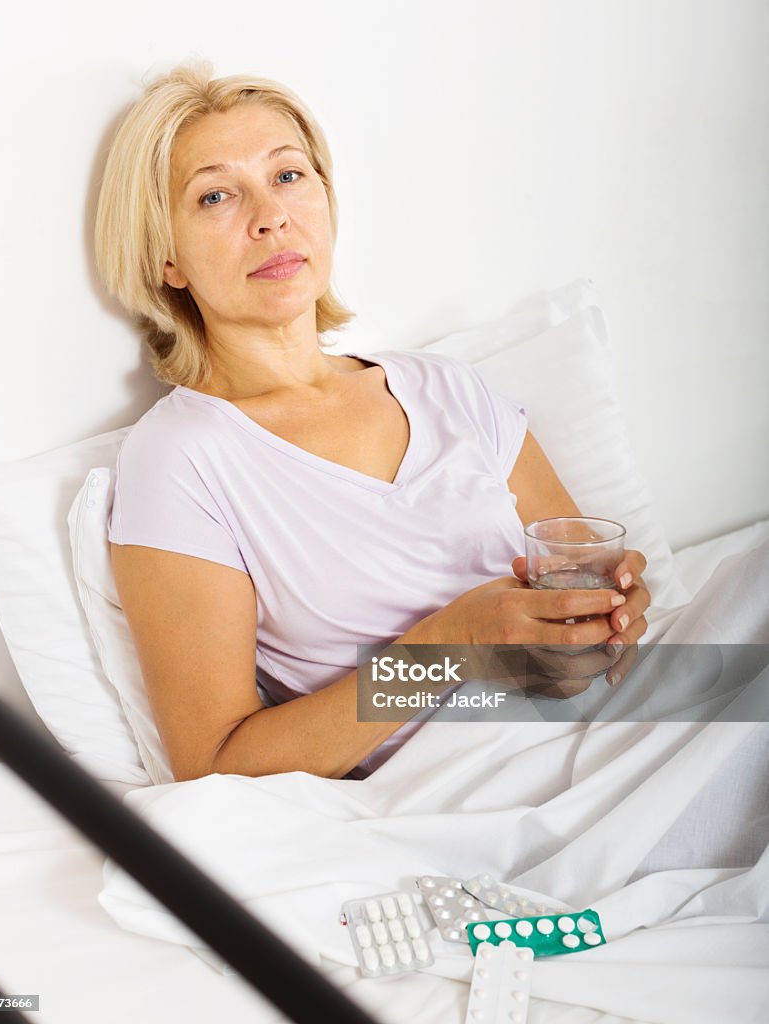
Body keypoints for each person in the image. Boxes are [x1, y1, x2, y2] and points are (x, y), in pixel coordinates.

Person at [94, 59, 650, 783]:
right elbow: (213, 762)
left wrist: (609, 620)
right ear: (166, 256)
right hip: (470, 782)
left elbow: (579, 584)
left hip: (601, 732)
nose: (270, 216)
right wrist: (453, 642)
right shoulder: (183, 456)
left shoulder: (449, 388)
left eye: (289, 176)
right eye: (216, 195)